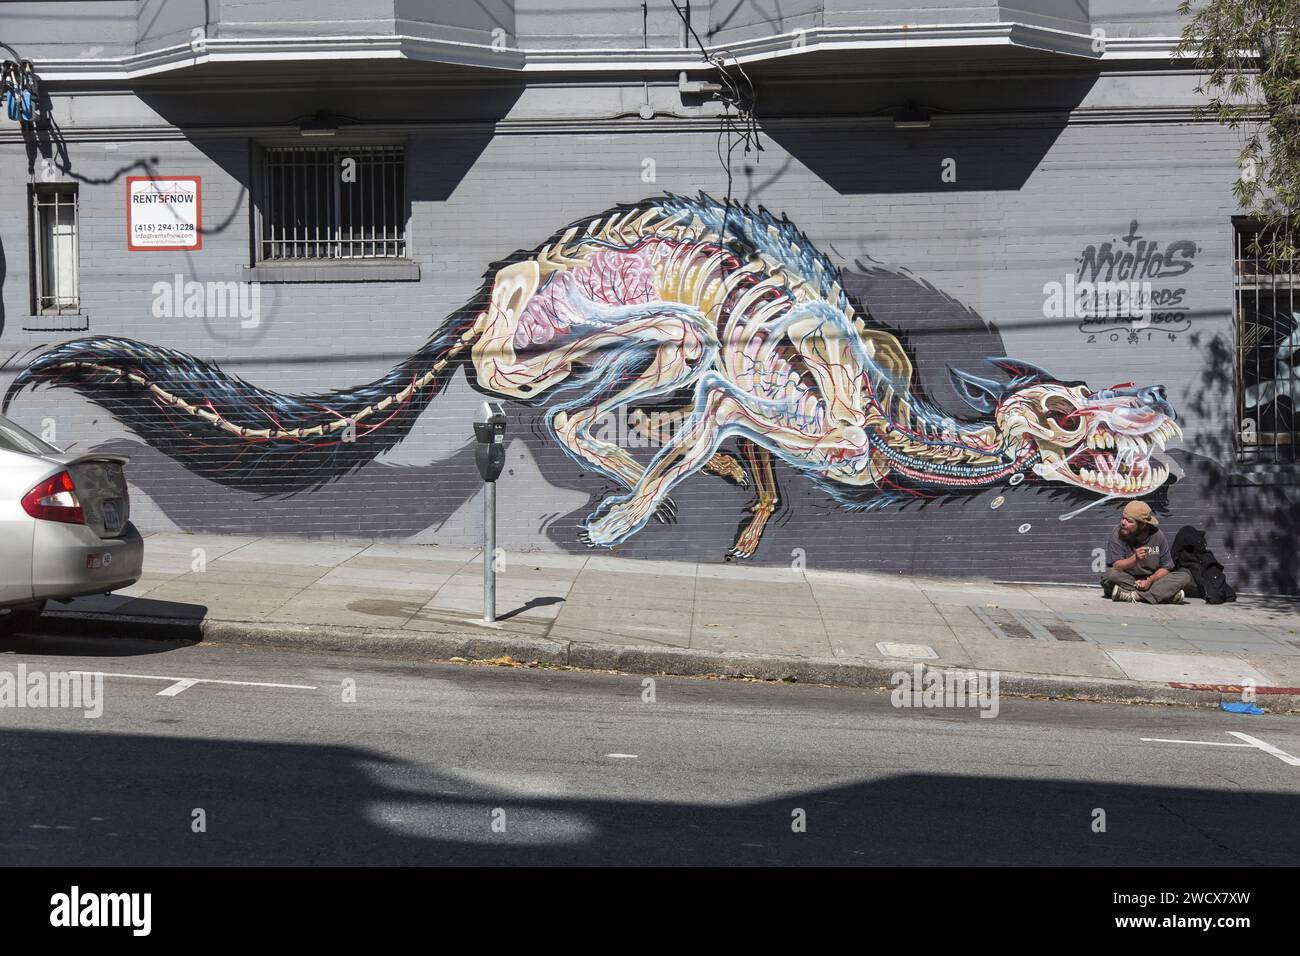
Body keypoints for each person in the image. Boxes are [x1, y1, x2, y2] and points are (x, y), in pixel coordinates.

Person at [1100, 501, 1193, 604]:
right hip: (1128, 579)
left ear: (1143, 525)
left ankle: (1135, 596)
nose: (1123, 523)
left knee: (1184, 577)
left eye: (1129, 521)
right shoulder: (1118, 533)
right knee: (1109, 575)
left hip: (1152, 580)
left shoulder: (1158, 536)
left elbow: (1166, 568)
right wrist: (1134, 559)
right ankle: (1163, 595)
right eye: (1123, 518)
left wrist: (1150, 580)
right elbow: (1117, 565)